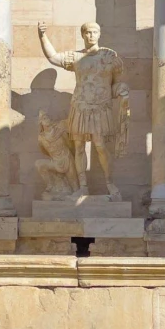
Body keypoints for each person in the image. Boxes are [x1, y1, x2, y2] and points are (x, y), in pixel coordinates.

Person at [37, 20, 129, 200]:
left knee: (101, 146)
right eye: (87, 32)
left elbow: (118, 82)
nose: (91, 35)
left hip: (100, 107)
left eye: (94, 32)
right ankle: (83, 186)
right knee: (79, 147)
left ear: (99, 34)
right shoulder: (76, 57)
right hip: (80, 106)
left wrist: (122, 90)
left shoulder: (110, 57)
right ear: (82, 35)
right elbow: (53, 57)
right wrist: (42, 36)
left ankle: (110, 183)